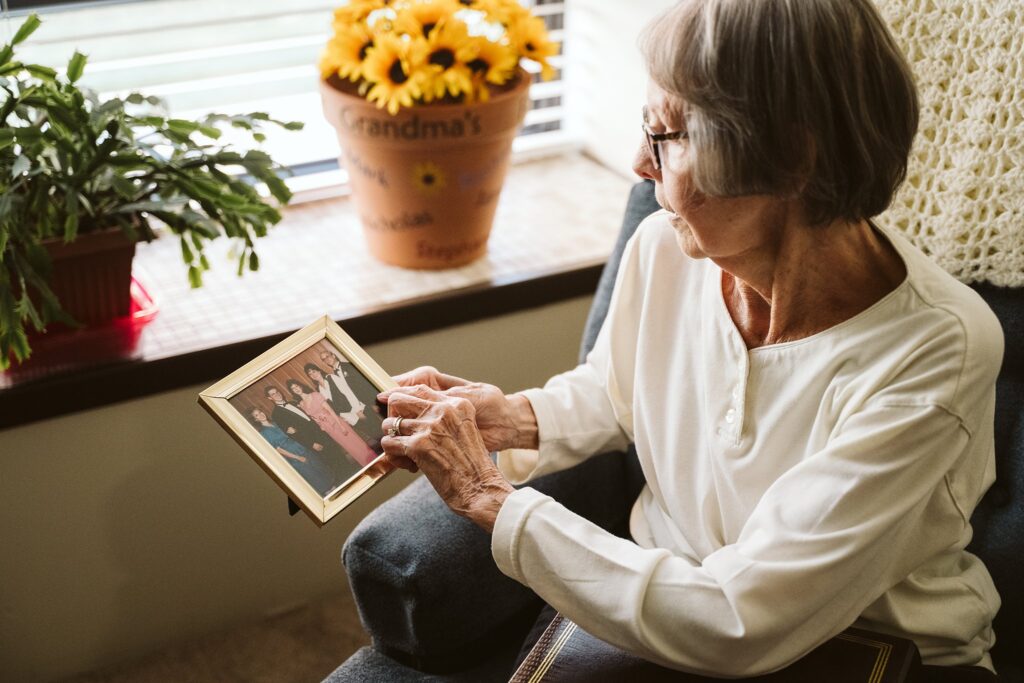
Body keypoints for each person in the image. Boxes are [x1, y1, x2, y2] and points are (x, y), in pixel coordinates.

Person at [374, 0, 1003, 679]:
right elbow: (618, 389)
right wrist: (511, 418)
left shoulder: (934, 352)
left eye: (664, 135)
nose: (638, 163)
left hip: (867, 653)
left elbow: (739, 618)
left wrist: (488, 497)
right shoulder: (666, 248)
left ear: (791, 159)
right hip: (663, 618)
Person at [287, 379, 378, 467]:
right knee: (349, 447)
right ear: (292, 392)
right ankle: (366, 465)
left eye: (296, 386)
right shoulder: (302, 404)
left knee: (356, 442)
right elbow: (313, 417)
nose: (296, 389)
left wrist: (341, 425)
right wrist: (320, 425)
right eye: (293, 389)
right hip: (327, 428)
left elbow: (330, 410)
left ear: (300, 386)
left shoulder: (315, 395)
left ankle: (374, 460)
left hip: (335, 421)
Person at [248, 407, 335, 496]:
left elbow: (291, 432)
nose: (261, 415)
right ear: (255, 419)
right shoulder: (264, 433)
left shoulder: (275, 422)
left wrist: (293, 431)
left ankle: (333, 488)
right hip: (293, 456)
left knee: (320, 468)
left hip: (301, 447)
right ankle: (328, 494)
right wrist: (297, 457)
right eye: (257, 415)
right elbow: (278, 449)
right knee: (314, 476)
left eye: (260, 412)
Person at [319, 349, 386, 447]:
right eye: (324, 359)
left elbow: (363, 385)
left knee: (382, 428)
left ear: (333, 355)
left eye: (327, 356)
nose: (326, 359)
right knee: (376, 433)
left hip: (366, 404)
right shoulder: (333, 375)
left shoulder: (348, 366)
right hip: (357, 408)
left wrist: (372, 403)